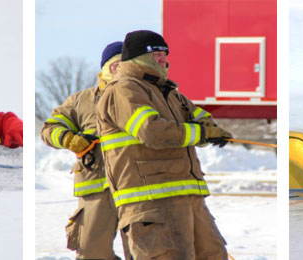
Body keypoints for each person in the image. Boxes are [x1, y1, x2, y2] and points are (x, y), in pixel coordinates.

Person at [95, 30, 231, 259]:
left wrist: (210, 131)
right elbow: (152, 131)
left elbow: (202, 119)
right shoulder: (124, 89)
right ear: (137, 58)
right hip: (150, 205)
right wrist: (200, 133)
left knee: (214, 254)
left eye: (165, 54)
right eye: (155, 54)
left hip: (189, 200)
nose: (163, 59)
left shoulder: (170, 93)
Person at [41, 41, 129, 260]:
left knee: (144, 251)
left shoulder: (144, 98)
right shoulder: (80, 101)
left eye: (125, 65)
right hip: (96, 188)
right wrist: (70, 139)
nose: (120, 70)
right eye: (115, 65)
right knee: (91, 253)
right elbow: (49, 128)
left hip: (135, 186)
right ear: (105, 68)